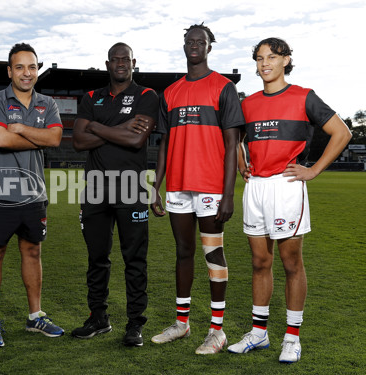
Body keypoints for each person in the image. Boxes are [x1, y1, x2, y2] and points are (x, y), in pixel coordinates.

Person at [227, 37, 352, 363]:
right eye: (258, 58)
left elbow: (342, 133)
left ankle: (292, 338)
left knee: (291, 263)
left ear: (286, 60)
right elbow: (236, 138)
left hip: (287, 187)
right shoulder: (249, 103)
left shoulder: (304, 97)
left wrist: (313, 170)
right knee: (259, 263)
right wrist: (241, 160)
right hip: (256, 189)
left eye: (271, 56)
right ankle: (259, 334)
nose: (264, 63)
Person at [150, 23, 245, 354]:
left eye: (200, 41)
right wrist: (156, 186)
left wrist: (229, 194)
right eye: (189, 41)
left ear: (209, 47)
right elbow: (163, 144)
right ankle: (182, 324)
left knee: (213, 253)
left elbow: (232, 143)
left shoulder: (223, 88)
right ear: (184, 45)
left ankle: (217, 331)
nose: (194, 45)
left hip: (211, 187)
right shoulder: (171, 92)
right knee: (183, 252)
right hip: (178, 185)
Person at [71, 42, 159, 347]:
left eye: (125, 59)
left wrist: (96, 127)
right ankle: (98, 318)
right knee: (97, 258)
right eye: (115, 59)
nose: (120, 63)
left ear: (133, 62)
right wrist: (120, 127)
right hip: (95, 187)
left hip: (131, 187)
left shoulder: (147, 96)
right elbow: (78, 142)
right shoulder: (91, 97)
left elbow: (136, 141)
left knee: (135, 259)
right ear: (107, 63)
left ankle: (135, 323)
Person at [0, 42, 64, 348]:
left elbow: (56, 138)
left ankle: (35, 316)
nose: (26, 73)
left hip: (34, 192)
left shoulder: (48, 103)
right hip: (0, 191)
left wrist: (20, 128)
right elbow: (0, 138)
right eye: (19, 67)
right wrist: (36, 137)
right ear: (9, 71)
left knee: (32, 252)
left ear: (37, 69)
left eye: (32, 67)